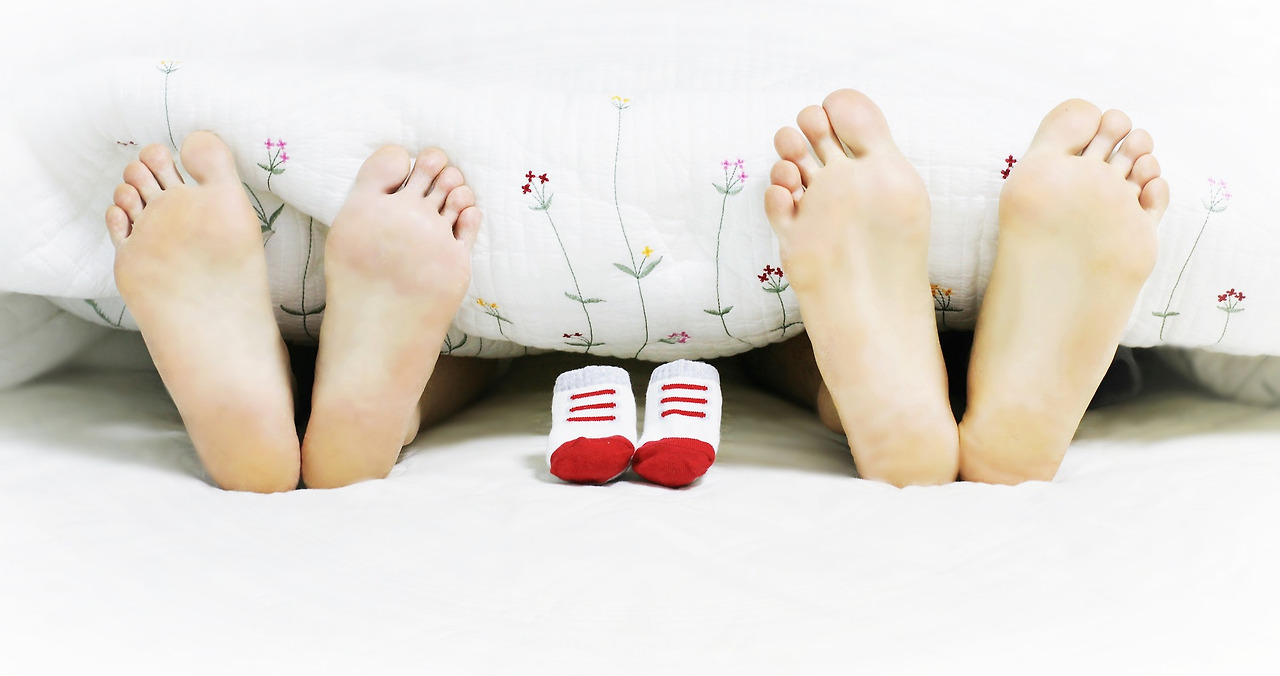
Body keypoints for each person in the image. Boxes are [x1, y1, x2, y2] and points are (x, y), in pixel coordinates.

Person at [102, 89, 1166, 492]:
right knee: (788, 349)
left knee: (480, 349)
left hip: (482, 331)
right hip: (791, 335)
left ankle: (363, 411)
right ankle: (901, 397)